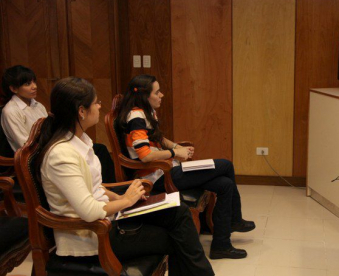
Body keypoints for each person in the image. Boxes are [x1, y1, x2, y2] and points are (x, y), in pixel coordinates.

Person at [36, 77, 214, 276]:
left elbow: (95, 187)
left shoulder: (81, 140)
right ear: (81, 111)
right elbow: (89, 211)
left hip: (108, 218)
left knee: (178, 212)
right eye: (96, 103)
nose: (99, 106)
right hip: (93, 235)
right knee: (177, 237)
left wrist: (121, 198)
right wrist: (127, 200)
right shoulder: (61, 155)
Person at [116, 74, 255, 260]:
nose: (161, 95)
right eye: (157, 92)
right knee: (226, 165)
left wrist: (175, 147)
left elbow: (157, 139)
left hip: (166, 170)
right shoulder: (136, 117)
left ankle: (221, 244)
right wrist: (175, 154)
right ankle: (235, 220)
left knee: (225, 184)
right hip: (156, 179)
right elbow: (145, 155)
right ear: (144, 96)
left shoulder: (145, 111)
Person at [1, 65, 116, 182]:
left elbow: (49, 128)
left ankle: (103, 188)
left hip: (47, 146)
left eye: (34, 82)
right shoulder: (10, 111)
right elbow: (24, 145)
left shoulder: (37, 105)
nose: (34, 87)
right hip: (34, 158)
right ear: (13, 89)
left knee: (98, 149)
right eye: (27, 84)